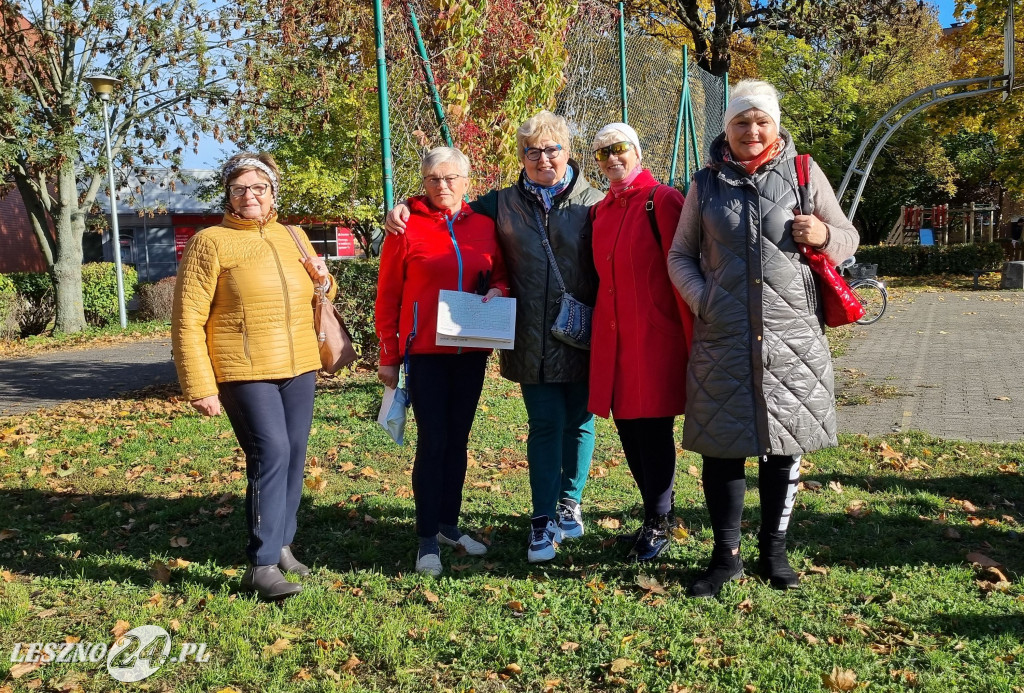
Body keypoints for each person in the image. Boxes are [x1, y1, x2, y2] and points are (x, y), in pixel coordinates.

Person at [666, 80, 859, 598]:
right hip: (723, 336)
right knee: (721, 450)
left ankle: (774, 552)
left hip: (791, 337)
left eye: (761, 121)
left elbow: (848, 236)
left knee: (784, 447)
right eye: (741, 122)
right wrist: (703, 299)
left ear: (775, 125)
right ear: (726, 129)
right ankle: (724, 557)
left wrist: (823, 237)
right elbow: (679, 255)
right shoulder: (705, 185)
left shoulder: (803, 173)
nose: (751, 130)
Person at [385, 111, 603, 563]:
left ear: (567, 152)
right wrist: (404, 205)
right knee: (519, 426)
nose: (543, 157)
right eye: (532, 151)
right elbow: (440, 206)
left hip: (570, 332)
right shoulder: (498, 205)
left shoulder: (590, 202)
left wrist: (501, 287)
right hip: (489, 342)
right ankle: (452, 533)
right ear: (520, 158)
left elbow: (496, 264)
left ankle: (561, 503)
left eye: (552, 149)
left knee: (574, 421)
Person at [172, 152, 336, 601]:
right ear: (228, 195)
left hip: (300, 363)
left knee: (295, 455)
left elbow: (316, 294)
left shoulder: (294, 235)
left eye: (258, 187)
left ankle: (282, 543)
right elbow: (187, 320)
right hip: (243, 369)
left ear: (272, 193)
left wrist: (324, 280)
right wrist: (199, 385)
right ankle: (261, 565)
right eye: (240, 188)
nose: (250, 196)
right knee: (271, 452)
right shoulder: (211, 242)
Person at [375, 146, 509, 577]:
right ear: (424, 183)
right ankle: (426, 539)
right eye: (433, 179)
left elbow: (502, 272)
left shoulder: (486, 225)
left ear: (467, 181)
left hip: (471, 350)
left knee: (458, 440)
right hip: (426, 354)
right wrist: (388, 356)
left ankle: (450, 525)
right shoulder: (405, 227)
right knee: (432, 442)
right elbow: (388, 296)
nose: (443, 186)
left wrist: (500, 290)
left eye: (451, 178)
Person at [587, 123, 692, 562]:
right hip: (615, 341)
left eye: (619, 149)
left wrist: (694, 342)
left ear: (637, 151)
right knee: (629, 426)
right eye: (602, 153)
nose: (612, 158)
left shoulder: (663, 201)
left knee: (653, 428)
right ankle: (655, 512)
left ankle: (659, 517)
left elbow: (685, 271)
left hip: (655, 338)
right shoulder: (601, 211)